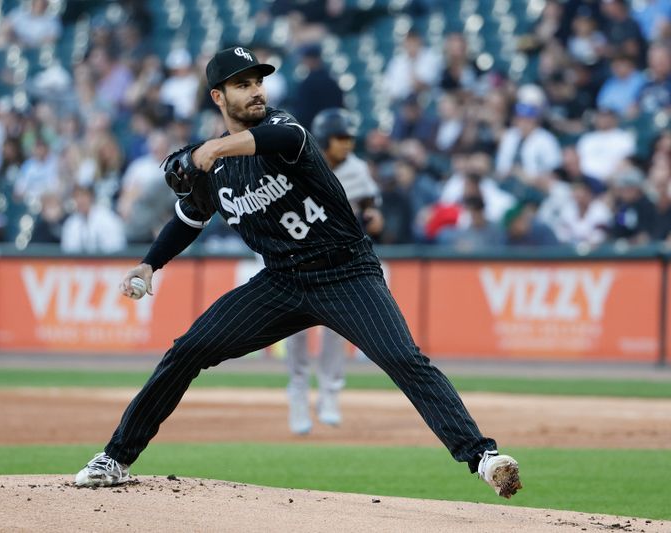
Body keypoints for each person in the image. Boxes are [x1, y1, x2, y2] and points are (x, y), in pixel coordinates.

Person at [74, 46, 522, 499]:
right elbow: (189, 218)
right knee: (187, 350)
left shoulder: (283, 130)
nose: (255, 92)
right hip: (282, 283)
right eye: (242, 85)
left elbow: (275, 141)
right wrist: (151, 263)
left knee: (404, 359)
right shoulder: (216, 169)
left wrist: (207, 149)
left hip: (347, 273)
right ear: (218, 96)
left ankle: (482, 455)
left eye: (258, 82)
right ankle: (115, 457)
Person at [285, 107, 383, 434]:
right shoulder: (299, 162)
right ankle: (298, 394)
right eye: (341, 138)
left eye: (350, 138)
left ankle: (329, 395)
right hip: (294, 255)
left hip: (333, 259)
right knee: (294, 330)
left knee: (336, 328)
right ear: (325, 140)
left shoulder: (356, 169)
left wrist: (372, 215)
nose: (347, 144)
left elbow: (370, 202)